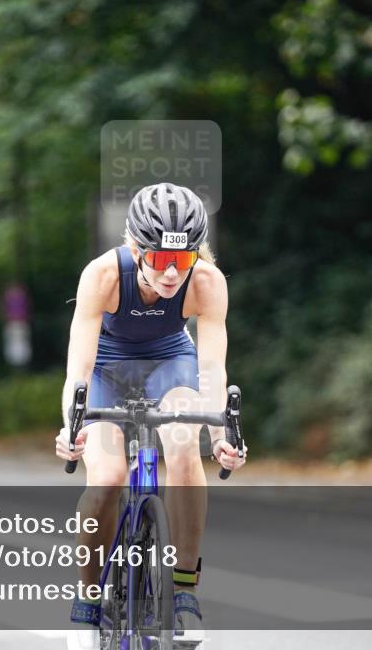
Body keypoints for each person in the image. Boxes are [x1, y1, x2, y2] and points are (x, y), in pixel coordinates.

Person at [55, 183, 247, 649]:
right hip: (106, 368)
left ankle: (183, 593)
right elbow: (78, 368)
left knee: (183, 449)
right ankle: (88, 601)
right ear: (136, 248)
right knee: (108, 475)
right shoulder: (102, 275)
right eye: (160, 259)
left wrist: (219, 430)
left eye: (181, 261)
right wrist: (71, 426)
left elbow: (211, 369)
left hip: (169, 363)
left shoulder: (207, 281)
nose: (171, 273)